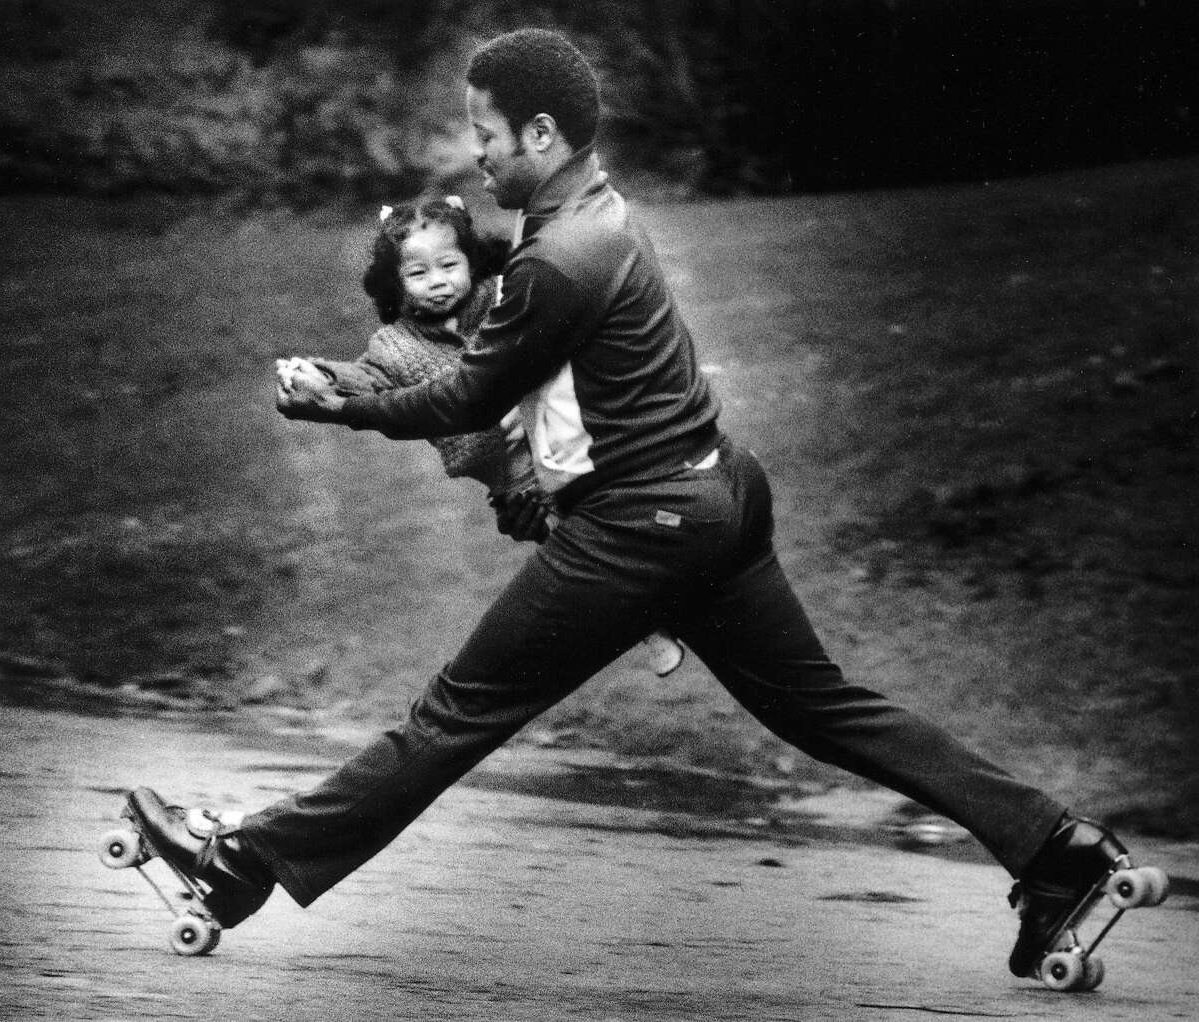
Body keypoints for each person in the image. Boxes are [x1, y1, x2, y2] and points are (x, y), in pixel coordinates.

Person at [128, 27, 1146, 981]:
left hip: (642, 525)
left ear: (540, 132)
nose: (475, 153)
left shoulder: (554, 260)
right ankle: (1056, 847)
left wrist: (339, 401)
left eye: (485, 133)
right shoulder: (597, 215)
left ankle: (241, 862)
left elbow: (466, 397)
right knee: (822, 707)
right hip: (717, 491)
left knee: (454, 713)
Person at [277, 194, 685, 677]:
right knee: (568, 545)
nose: (438, 283)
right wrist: (320, 377)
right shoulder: (394, 345)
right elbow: (366, 379)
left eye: (449, 265)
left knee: (613, 526)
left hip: (564, 441)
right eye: (418, 274)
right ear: (395, 284)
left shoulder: (500, 298)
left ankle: (666, 598)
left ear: (470, 260)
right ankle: (646, 626)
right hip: (507, 473)